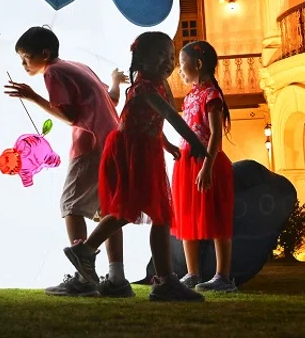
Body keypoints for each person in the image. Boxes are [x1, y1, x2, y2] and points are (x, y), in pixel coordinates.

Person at [62, 31, 210, 302]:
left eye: (171, 57)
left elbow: (151, 119)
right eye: (161, 55)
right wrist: (194, 142)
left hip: (145, 149)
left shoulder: (155, 85)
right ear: (142, 59)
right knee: (131, 209)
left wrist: (165, 143)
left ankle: (163, 279)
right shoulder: (144, 87)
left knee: (157, 213)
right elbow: (169, 114)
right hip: (132, 152)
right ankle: (88, 251)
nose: (168, 62)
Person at [4, 26, 132, 297]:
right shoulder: (79, 66)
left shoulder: (53, 72)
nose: (23, 64)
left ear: (45, 53)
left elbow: (71, 116)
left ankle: (84, 279)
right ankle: (117, 278)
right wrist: (115, 81)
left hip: (90, 142)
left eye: (26, 57)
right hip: (112, 141)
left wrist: (33, 97)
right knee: (107, 210)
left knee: (71, 204)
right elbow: (111, 99)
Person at [171, 41, 237, 292]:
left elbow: (215, 134)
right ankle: (192, 272)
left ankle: (223, 276)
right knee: (187, 215)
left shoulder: (212, 95)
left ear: (198, 64)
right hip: (186, 162)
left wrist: (207, 166)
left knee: (216, 217)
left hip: (207, 162)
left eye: (182, 63)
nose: (179, 69)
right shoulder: (190, 96)